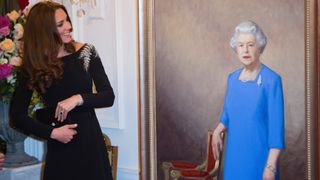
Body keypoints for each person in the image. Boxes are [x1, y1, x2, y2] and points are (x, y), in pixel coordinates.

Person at [10, 1, 114, 180]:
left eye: (67, 20)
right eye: (60, 24)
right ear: (45, 31)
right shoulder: (34, 65)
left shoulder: (86, 52)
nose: (69, 27)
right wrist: (53, 133)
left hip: (90, 144)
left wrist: (77, 98)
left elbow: (108, 97)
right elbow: (17, 115)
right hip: (60, 147)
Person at [212, 21, 285, 180]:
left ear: (259, 47)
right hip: (234, 158)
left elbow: (276, 130)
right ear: (236, 48)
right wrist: (219, 128)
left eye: (250, 45)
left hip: (260, 160)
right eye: (241, 45)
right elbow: (228, 114)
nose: (245, 50)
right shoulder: (232, 79)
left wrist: (271, 167)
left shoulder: (271, 80)